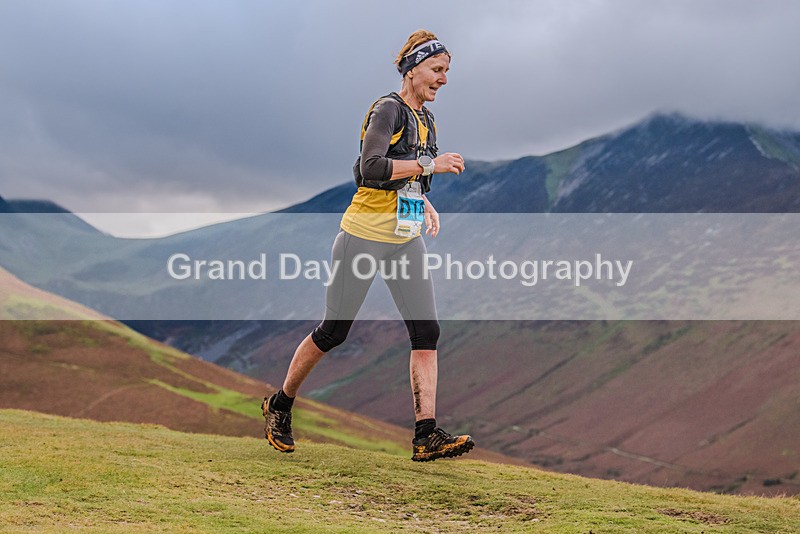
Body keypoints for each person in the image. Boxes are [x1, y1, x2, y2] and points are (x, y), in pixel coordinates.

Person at [262, 30, 473, 462]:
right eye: (437, 70)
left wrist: (425, 202)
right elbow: (370, 168)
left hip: (404, 238)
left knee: (427, 332)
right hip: (363, 235)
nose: (444, 80)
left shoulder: (427, 119)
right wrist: (433, 163)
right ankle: (280, 405)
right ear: (413, 69)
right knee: (333, 332)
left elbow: (406, 176)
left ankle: (425, 435)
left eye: (447, 72)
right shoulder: (387, 110)